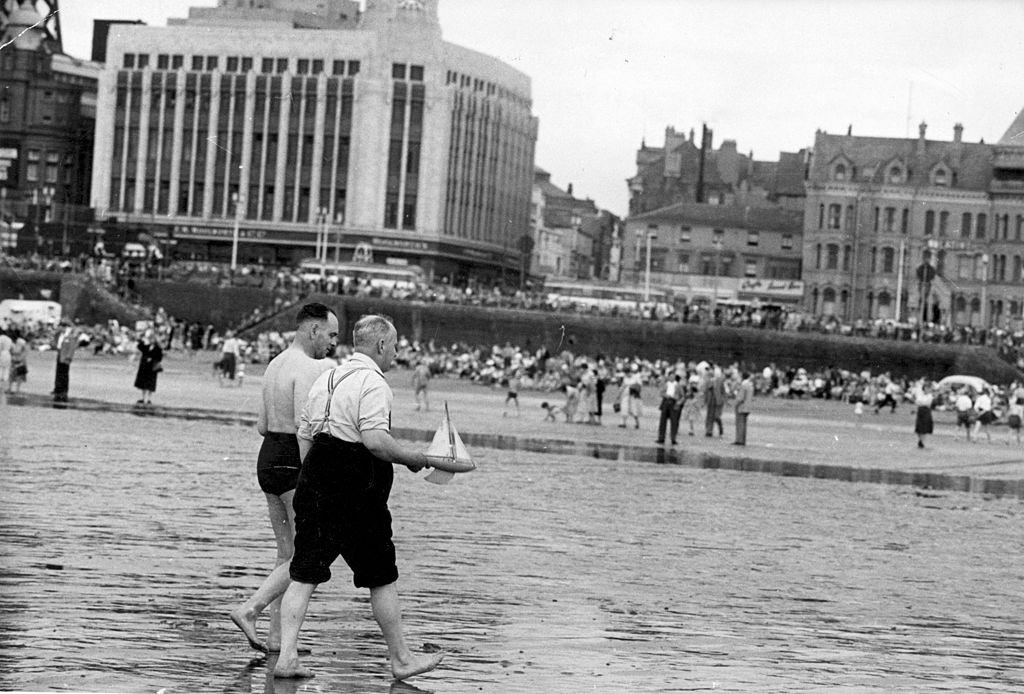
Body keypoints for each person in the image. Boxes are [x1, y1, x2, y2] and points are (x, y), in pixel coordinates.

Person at [273, 314, 446, 680]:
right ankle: (401, 659)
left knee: (304, 571)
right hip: (355, 484)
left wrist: (312, 477)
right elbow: (376, 442)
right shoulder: (374, 383)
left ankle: (287, 657)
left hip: (316, 474)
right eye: (395, 344)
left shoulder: (327, 378)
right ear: (381, 345)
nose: (397, 352)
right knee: (381, 574)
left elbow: (304, 433)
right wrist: (416, 459)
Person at [230, 303, 339, 654]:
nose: (333, 344)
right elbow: (302, 427)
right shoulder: (309, 367)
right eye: (331, 335)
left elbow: (263, 425)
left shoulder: (275, 363)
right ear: (313, 330)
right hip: (294, 460)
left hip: (268, 457)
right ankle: (251, 609)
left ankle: (277, 638)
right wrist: (316, 478)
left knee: (286, 552)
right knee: (304, 553)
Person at [133, 329, 164, 406]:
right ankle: (144, 398)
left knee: (150, 385)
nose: (151, 340)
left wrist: (152, 359)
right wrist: (142, 338)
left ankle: (148, 399)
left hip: (152, 368)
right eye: (150, 339)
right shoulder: (147, 346)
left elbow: (159, 358)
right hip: (144, 367)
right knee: (143, 384)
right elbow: (139, 346)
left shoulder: (158, 348)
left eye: (152, 339)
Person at [52, 322, 79, 402]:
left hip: (65, 357)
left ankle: (64, 391)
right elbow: (56, 343)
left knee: (64, 375)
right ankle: (58, 389)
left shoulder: (70, 336)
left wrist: (69, 357)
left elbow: (72, 348)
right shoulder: (60, 335)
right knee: (58, 373)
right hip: (60, 355)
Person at [655, 372, 682, 445]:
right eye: (670, 377)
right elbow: (661, 392)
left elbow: (682, 396)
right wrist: (665, 395)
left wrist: (679, 401)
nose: (671, 378)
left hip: (674, 402)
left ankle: (673, 438)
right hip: (666, 401)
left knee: (674, 421)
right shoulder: (666, 384)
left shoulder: (678, 385)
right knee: (662, 421)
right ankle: (661, 437)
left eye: (673, 377)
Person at [732, 371, 754, 446]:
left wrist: (735, 404)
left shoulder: (743, 384)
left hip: (742, 406)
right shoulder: (750, 385)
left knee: (740, 424)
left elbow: (740, 397)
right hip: (748, 407)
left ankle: (739, 440)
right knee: (744, 424)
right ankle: (742, 440)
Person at [617, 365, 643, 429]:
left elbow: (639, 386)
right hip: (625, 395)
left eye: (628, 372)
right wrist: (618, 395)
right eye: (626, 372)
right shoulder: (625, 378)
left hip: (633, 395)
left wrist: (634, 388)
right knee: (624, 408)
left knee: (634, 410)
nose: (627, 373)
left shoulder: (636, 378)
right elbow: (622, 387)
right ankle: (623, 423)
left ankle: (637, 423)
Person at [703, 366, 725, 437]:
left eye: (711, 370)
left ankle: (720, 429)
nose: (710, 372)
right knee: (709, 416)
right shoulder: (708, 380)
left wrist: (723, 400)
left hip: (717, 400)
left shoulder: (720, 380)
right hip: (710, 400)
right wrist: (704, 401)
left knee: (716, 416)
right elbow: (706, 391)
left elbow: (723, 391)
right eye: (709, 370)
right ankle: (709, 431)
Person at [913, 383, 935, 449]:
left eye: (928, 388)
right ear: (923, 388)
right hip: (920, 411)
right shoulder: (920, 395)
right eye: (926, 388)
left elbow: (927, 403)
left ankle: (921, 442)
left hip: (926, 411)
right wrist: (921, 402)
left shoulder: (930, 396)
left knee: (925, 428)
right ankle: (920, 440)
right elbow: (917, 402)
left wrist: (921, 402)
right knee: (919, 427)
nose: (927, 389)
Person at [0, 329, 12, 393]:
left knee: (1, 369)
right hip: (8, 354)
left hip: (2, 354)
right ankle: (4, 387)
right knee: (6, 370)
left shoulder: (0, 338)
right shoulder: (9, 339)